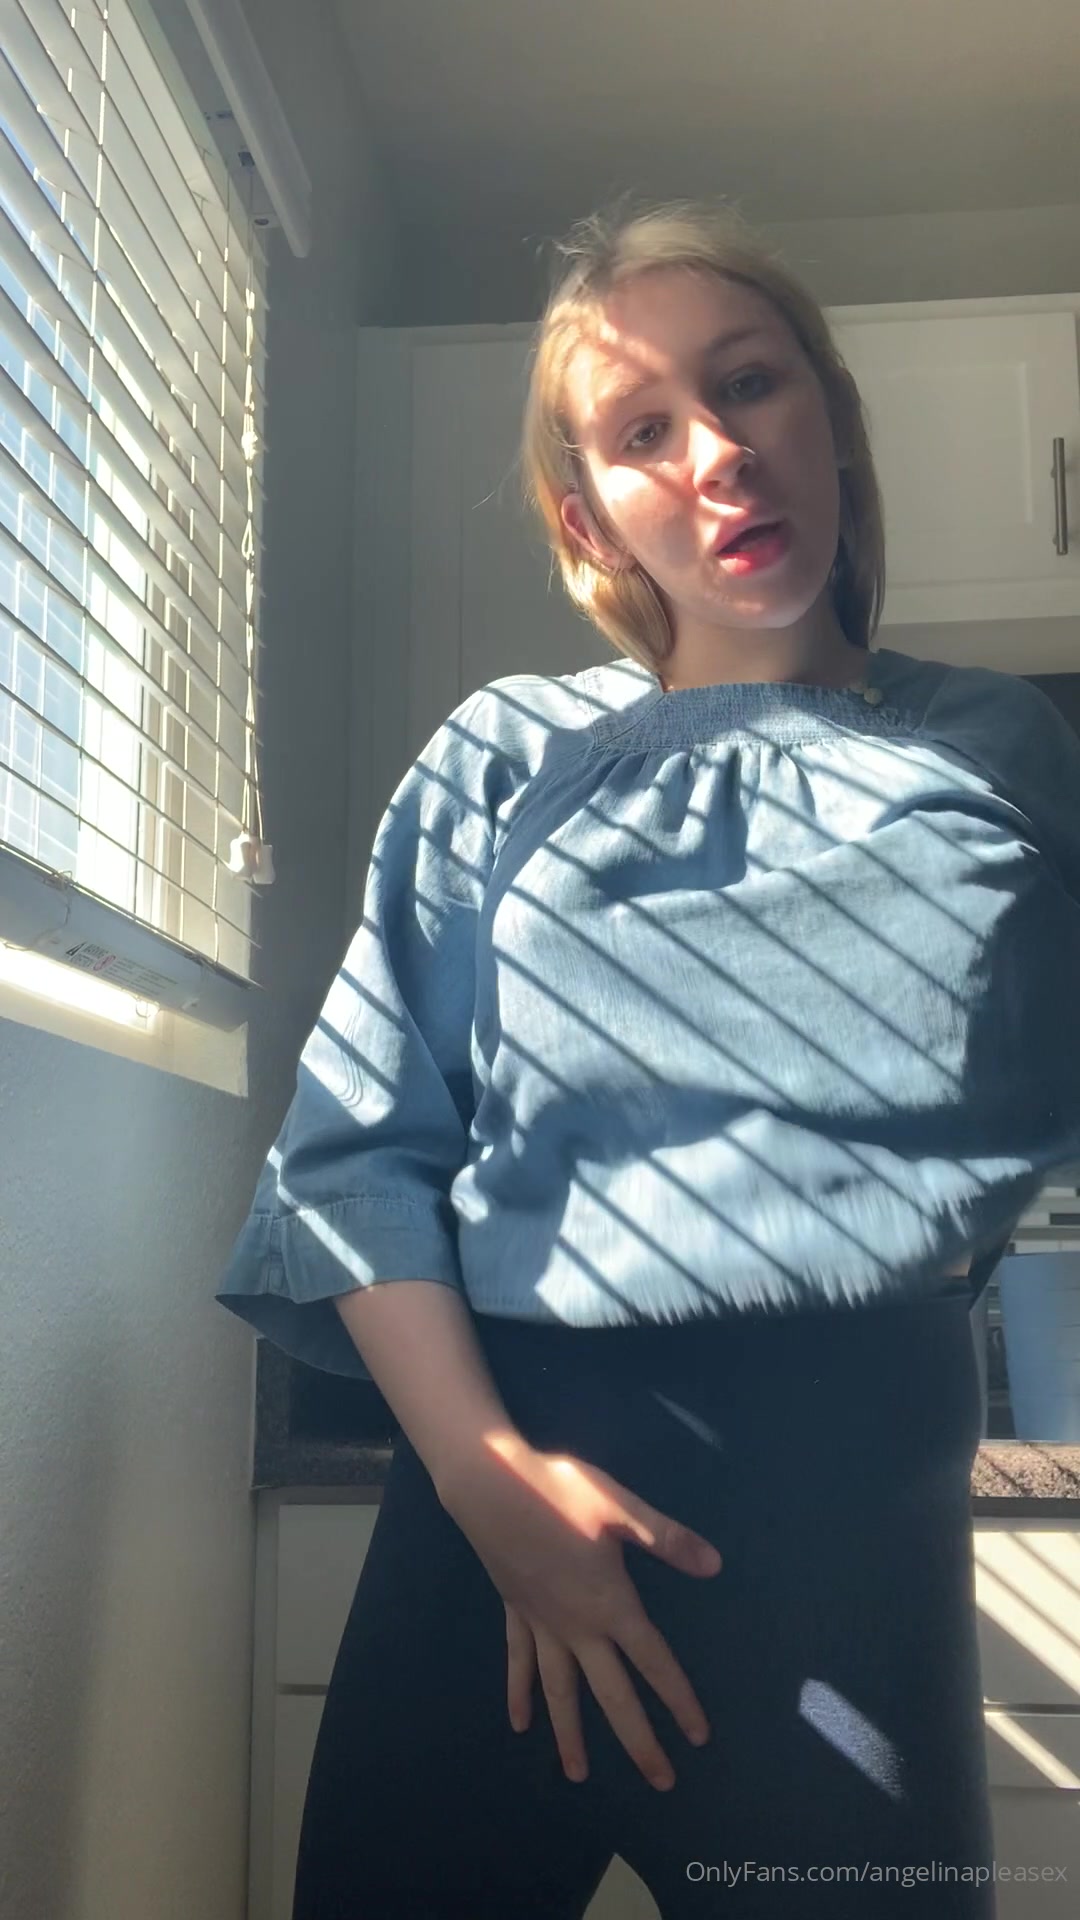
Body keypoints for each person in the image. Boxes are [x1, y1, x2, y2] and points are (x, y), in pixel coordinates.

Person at [216, 198, 1080, 1917]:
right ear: (586, 514)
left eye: (749, 385)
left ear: (829, 413)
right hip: (490, 1551)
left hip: (847, 1573)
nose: (716, 453)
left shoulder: (1002, 752)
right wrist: (489, 1493)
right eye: (641, 431)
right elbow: (354, 1158)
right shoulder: (502, 756)